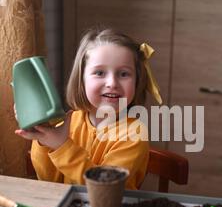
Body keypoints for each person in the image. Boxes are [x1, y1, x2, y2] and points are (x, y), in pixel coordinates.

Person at [15, 28, 162, 189]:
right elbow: (49, 180)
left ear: (137, 81)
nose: (112, 83)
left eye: (123, 74)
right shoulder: (70, 121)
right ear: (81, 80)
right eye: (99, 72)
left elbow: (105, 187)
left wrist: (61, 146)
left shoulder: (135, 133)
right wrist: (43, 139)